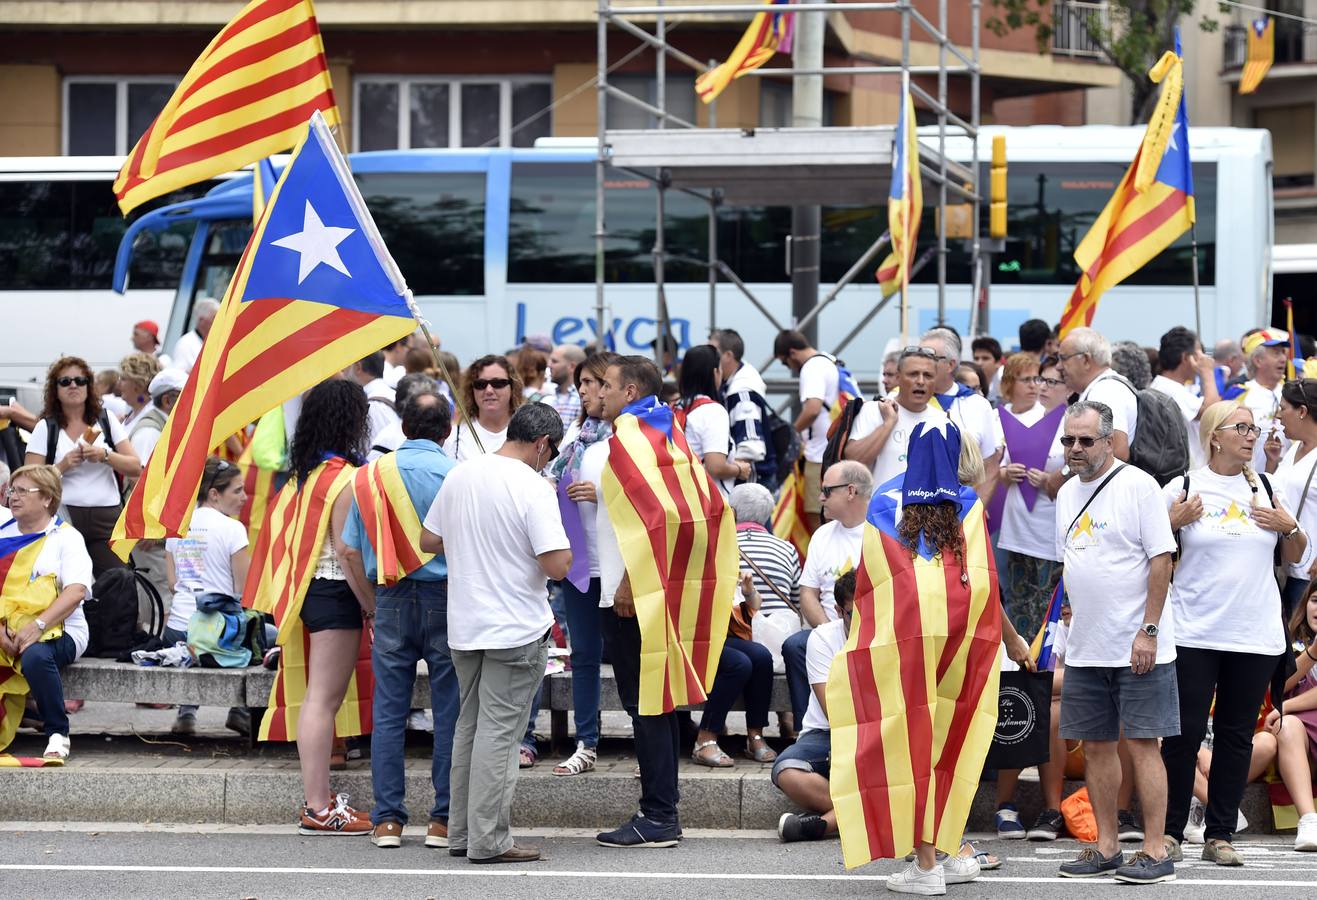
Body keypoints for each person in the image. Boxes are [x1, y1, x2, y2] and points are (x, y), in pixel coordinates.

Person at [828, 419, 1001, 895]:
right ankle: (948, 849)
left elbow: (873, 581)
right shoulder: (969, 506)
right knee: (948, 742)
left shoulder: (886, 499)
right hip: (960, 645)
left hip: (901, 647)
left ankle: (926, 867)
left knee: (909, 745)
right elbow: (984, 581)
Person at [420, 403, 570, 864]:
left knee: (468, 726)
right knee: (500, 736)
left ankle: (462, 833)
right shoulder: (534, 486)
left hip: (465, 624)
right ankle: (489, 839)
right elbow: (557, 563)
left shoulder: (461, 474)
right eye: (553, 451)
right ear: (542, 444)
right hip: (515, 626)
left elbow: (429, 541)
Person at [1160, 400, 1307, 867]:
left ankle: (1220, 834)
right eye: (1242, 427)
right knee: (1182, 736)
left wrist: (1290, 527)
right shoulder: (1182, 486)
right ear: (1215, 436)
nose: (1252, 435)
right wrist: (1173, 522)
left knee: (1235, 735)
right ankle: (1169, 832)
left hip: (1255, 631)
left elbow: (1299, 554)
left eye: (1254, 426)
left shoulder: (1268, 485)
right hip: (1193, 630)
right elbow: (1148, 547)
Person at [1054, 401, 1177, 884]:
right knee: (1098, 747)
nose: (1077, 449)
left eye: (1086, 440)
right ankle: (1105, 847)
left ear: (1108, 441)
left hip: (1137, 646)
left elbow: (1161, 559)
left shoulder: (1138, 485)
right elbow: (1071, 562)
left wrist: (1148, 630)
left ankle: (1154, 850)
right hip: (1086, 646)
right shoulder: (1065, 494)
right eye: (1069, 440)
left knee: (1144, 745)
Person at [249, 379, 375, 836]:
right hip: (336, 591)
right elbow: (347, 552)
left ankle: (318, 802)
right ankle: (318, 807)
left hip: (311, 592)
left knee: (318, 699)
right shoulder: (344, 476)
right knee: (322, 701)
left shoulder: (307, 473)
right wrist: (371, 604)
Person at [340, 390, 460, 851]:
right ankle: (443, 819)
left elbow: (349, 549)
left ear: (404, 428)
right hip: (446, 597)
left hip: (389, 595)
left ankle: (388, 820)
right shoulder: (456, 474)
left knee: (389, 712)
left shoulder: (369, 477)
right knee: (448, 709)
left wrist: (372, 604)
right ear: (447, 430)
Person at [593, 355, 700, 849]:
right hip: (655, 589)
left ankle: (657, 816)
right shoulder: (666, 430)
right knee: (653, 705)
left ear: (630, 391)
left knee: (647, 707)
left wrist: (628, 586)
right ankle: (662, 813)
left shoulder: (630, 439)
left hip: (633, 594)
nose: (600, 393)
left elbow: (655, 517)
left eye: (607, 386)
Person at [546, 350, 619, 777]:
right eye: (581, 384)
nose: (585, 391)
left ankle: (645, 740)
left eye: (592, 382)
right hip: (578, 566)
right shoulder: (577, 440)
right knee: (584, 655)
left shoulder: (629, 436)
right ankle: (586, 742)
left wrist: (602, 496)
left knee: (631, 657)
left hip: (618, 567)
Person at [0, 465, 93, 762]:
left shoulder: (67, 538)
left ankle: (57, 732)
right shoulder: (3, 532)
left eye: (23, 491)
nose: (13, 497)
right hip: (7, 627)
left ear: (47, 499)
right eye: (12, 490)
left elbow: (76, 591)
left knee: (36, 655)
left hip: (61, 629)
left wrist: (37, 626)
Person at [25, 356, 141, 577]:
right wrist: (62, 465)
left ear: (89, 386)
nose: (73, 386)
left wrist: (104, 455)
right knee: (66, 583)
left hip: (106, 515)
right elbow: (29, 480)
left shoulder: (105, 420)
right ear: (55, 388)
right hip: (63, 515)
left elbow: (135, 467)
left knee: (116, 581)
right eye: (65, 381)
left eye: (80, 380)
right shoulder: (45, 427)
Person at [780, 461, 872, 737]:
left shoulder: (882, 534)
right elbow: (807, 592)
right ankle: (805, 733)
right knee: (796, 645)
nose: (820, 498)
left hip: (871, 630)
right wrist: (827, 631)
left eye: (827, 491)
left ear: (851, 491)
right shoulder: (822, 535)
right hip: (828, 627)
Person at [163, 457, 251, 737]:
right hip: (215, 635)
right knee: (268, 637)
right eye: (237, 491)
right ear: (214, 494)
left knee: (198, 633)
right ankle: (241, 711)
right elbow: (242, 592)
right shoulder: (233, 529)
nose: (245, 497)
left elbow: (173, 583)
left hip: (176, 628)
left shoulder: (179, 525)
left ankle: (186, 713)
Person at [773, 569, 855, 844]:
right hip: (829, 731)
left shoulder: (889, 632)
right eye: (853, 614)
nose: (863, 622)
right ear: (838, 610)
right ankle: (865, 814)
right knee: (786, 771)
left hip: (880, 729)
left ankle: (826, 823)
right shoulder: (823, 638)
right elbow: (833, 709)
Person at [994, 353, 1066, 643]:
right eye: (1031, 379)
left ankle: (1050, 676)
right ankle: (1019, 675)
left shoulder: (1062, 420)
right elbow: (990, 467)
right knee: (1017, 605)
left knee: (1050, 609)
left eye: (1044, 380)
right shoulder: (999, 417)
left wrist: (1052, 479)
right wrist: (1004, 473)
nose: (1038, 386)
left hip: (1050, 530)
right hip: (1015, 529)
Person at [920, 328, 1003, 495]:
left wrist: (970, 511)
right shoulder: (902, 403)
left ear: (951, 364)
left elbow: (990, 469)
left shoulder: (979, 405)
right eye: (918, 357)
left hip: (964, 514)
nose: (920, 364)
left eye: (929, 358)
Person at [773, 329, 841, 533]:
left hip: (819, 455)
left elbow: (812, 408)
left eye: (785, 362)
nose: (789, 368)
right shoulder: (830, 361)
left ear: (792, 353)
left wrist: (792, 432)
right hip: (835, 449)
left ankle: (824, 563)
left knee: (817, 515)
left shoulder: (811, 368)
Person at [846, 347, 941, 485]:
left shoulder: (942, 420)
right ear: (898, 378)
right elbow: (853, 462)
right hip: (880, 506)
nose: (921, 381)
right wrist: (888, 423)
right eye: (913, 374)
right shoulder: (874, 410)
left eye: (928, 375)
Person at [675, 345, 752, 497]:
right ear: (715, 373)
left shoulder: (675, 407)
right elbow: (715, 466)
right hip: (707, 503)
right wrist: (739, 470)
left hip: (679, 497)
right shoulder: (712, 412)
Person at [1057, 327, 1139, 462]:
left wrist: (1062, 475)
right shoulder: (1103, 387)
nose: (1058, 366)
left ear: (1085, 360)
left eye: (1063, 358)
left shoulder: (1105, 391)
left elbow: (1116, 452)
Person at [1150, 327, 1220, 471]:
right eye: (1198, 355)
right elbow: (1213, 413)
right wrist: (1207, 372)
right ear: (1185, 357)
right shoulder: (1169, 388)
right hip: (1188, 474)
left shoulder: (1165, 385)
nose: (1203, 359)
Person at [1276, 378, 1317, 615]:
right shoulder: (1294, 448)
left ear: (1302, 411)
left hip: (1308, 576)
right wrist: (1272, 461)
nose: (1279, 416)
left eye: (1283, 409)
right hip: (1288, 568)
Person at [709, 328, 770, 482]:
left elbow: (750, 448)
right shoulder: (733, 381)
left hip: (749, 484)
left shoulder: (742, 393)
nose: (709, 358)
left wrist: (724, 468)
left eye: (713, 352)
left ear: (728, 355)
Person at [444, 354, 523, 462]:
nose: (489, 391)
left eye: (498, 383)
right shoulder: (453, 437)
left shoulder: (528, 433)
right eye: (480, 384)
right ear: (471, 390)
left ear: (513, 387)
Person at [1239, 328, 1291, 473]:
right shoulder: (1240, 394)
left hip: (1287, 480)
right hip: (1252, 479)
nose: (1283, 358)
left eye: (1283, 352)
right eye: (1276, 353)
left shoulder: (1292, 393)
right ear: (1258, 360)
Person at [367, 373, 438, 461]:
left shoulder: (433, 434)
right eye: (428, 403)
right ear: (408, 405)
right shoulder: (389, 441)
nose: (437, 406)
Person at [349, 351, 399, 451]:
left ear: (358, 367)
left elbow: (373, 450)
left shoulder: (373, 405)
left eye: (346, 366)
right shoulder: (391, 393)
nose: (343, 371)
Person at [172, 298, 219, 375]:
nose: (219, 321)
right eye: (214, 317)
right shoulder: (185, 343)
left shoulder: (214, 342)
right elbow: (179, 375)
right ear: (201, 320)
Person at [116, 352, 162, 428]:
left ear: (139, 383)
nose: (118, 384)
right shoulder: (132, 413)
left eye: (123, 379)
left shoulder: (150, 418)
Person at [545, 344, 586, 429]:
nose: (549, 365)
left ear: (572, 367)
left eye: (554, 361)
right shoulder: (550, 397)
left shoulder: (582, 400)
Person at [972, 336, 1004, 405]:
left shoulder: (1004, 378)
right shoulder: (969, 381)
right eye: (976, 358)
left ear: (998, 362)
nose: (979, 363)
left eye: (985, 358)